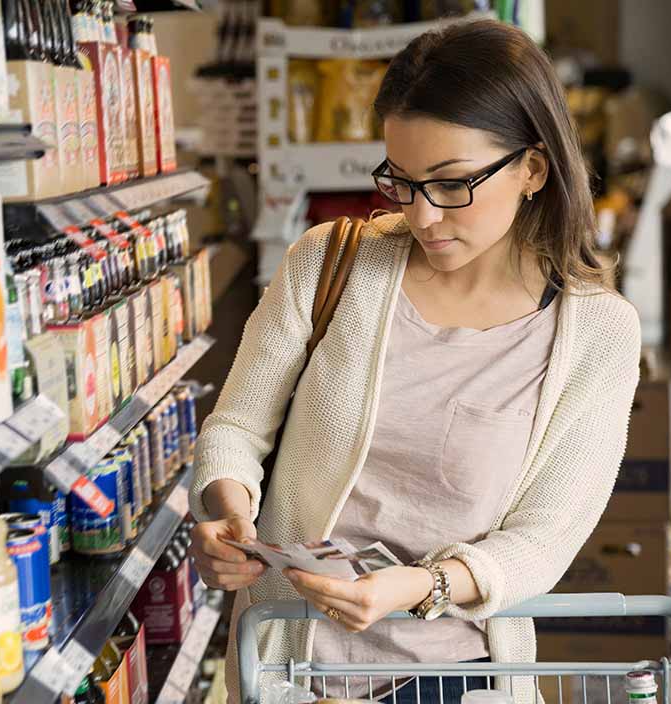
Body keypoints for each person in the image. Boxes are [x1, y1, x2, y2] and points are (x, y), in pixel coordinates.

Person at [187, 18, 641, 704]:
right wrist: (227, 505)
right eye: (400, 181)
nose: (423, 215)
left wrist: (423, 586)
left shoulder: (597, 333)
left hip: (453, 678)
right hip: (289, 666)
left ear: (533, 169)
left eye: (451, 183)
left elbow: (545, 539)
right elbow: (237, 427)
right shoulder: (329, 263)